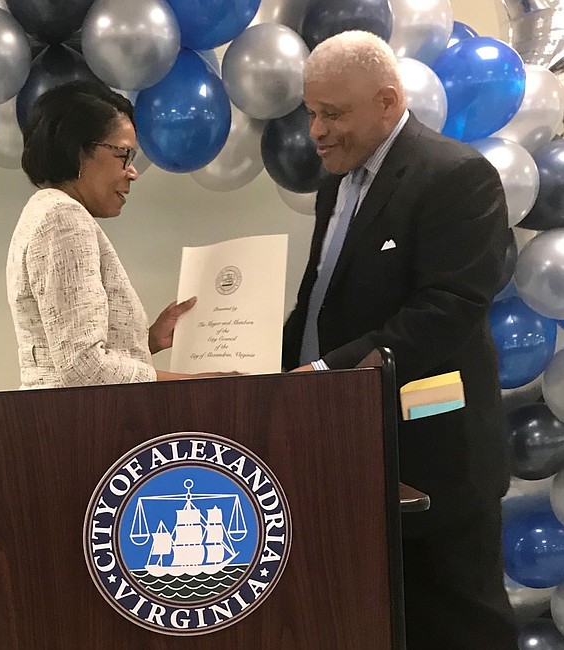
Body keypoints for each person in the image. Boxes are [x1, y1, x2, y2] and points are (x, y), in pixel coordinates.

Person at [282, 31, 518, 649]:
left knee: (459, 628)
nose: (315, 131)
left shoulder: (457, 176)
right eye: (311, 112)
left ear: (387, 102)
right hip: (346, 447)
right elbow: (322, 298)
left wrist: (330, 373)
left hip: (436, 458)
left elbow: (449, 309)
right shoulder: (336, 183)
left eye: (331, 113)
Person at [7, 81, 199, 389]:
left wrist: (146, 339)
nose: (132, 172)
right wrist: (198, 384)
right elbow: (84, 369)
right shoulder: (63, 218)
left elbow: (71, 354)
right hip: (78, 428)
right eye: (123, 155)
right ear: (78, 151)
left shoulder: (45, 210)